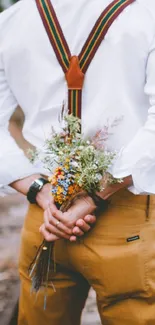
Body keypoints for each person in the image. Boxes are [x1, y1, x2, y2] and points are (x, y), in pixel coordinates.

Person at [0, 0, 155, 324]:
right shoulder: (147, 14)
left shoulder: (12, 22)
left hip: (46, 217)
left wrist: (40, 192)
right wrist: (92, 196)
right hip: (128, 213)